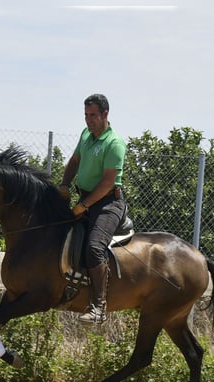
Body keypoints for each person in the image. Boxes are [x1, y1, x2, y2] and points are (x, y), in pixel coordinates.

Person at [59, 93, 127, 325]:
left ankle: (98, 306)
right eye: (86, 115)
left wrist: (83, 206)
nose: (89, 120)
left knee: (94, 247)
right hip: (85, 199)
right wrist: (64, 184)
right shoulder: (86, 134)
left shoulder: (114, 143)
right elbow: (75, 161)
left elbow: (108, 182)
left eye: (93, 115)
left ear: (105, 114)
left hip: (108, 203)